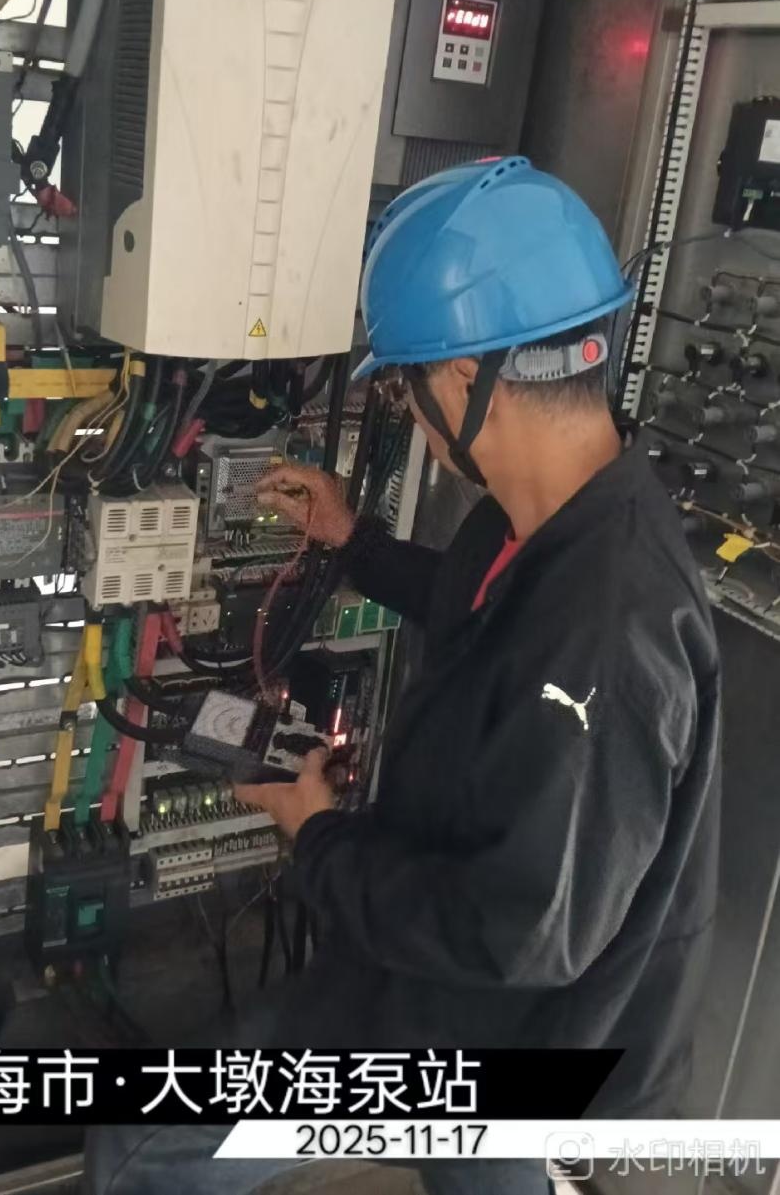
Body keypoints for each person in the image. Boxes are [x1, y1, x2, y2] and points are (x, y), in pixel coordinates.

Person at [85, 158, 721, 1194]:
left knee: (146, 1141)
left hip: (493, 1025)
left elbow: (519, 930)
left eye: (402, 386)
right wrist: (354, 541)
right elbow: (483, 612)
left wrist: (320, 839)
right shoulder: (550, 517)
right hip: (484, 1001)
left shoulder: (613, 626)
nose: (407, 410)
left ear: (467, 379)